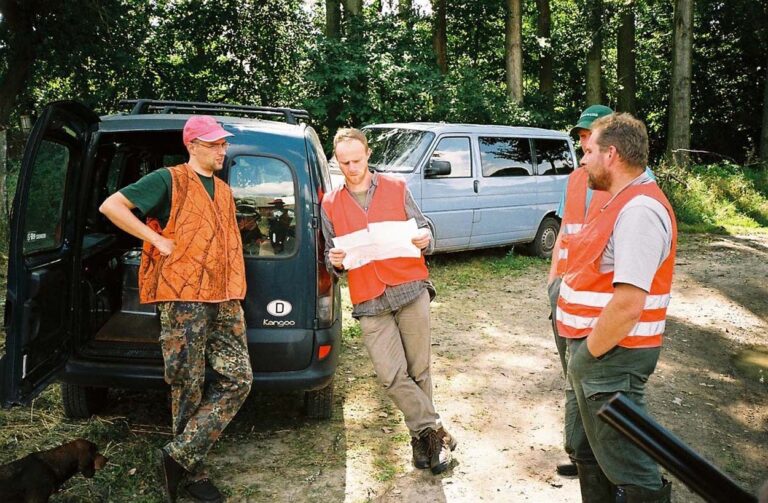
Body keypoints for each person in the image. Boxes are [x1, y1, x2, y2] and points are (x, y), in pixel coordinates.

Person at [100, 115, 252, 503]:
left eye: (223, 143)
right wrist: (155, 239)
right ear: (193, 146)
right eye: (215, 144)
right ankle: (192, 473)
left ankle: (178, 456)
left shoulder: (223, 190)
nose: (222, 149)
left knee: (239, 378)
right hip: (184, 298)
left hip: (224, 297)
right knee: (188, 383)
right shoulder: (168, 180)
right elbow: (112, 206)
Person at [320, 128, 456, 475]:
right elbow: (330, 255)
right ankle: (436, 430)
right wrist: (334, 261)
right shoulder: (330, 203)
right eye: (344, 163)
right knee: (391, 376)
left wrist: (424, 238)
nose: (352, 168)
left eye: (357, 160)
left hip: (410, 288)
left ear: (368, 154)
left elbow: (424, 229)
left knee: (419, 370)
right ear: (337, 161)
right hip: (369, 298)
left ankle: (423, 441)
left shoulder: (396, 186)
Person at [557, 113, 677, 502]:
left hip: (612, 356)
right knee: (589, 449)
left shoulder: (640, 211)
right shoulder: (620, 200)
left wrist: (585, 358)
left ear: (611, 154)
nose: (583, 159)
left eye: (589, 151)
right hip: (600, 352)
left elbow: (628, 304)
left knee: (629, 465)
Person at [548, 104, 614, 478]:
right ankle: (582, 455)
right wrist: (552, 282)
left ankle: (598, 461)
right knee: (573, 377)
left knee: (594, 381)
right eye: (582, 135)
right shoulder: (575, 179)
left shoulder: (628, 180)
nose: (585, 142)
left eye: (591, 134)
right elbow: (564, 231)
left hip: (601, 300)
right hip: (566, 291)